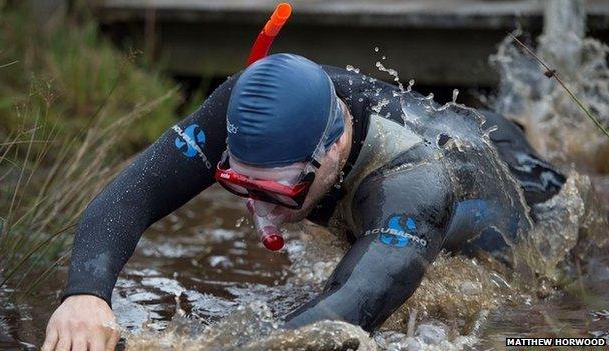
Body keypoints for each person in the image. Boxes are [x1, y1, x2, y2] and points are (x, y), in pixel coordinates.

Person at [42, 53, 565, 350]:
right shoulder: (243, 103)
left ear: (334, 147)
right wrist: (85, 295)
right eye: (239, 187)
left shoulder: (417, 181)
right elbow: (131, 194)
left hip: (522, 185)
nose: (259, 212)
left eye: (277, 193)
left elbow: (341, 317)